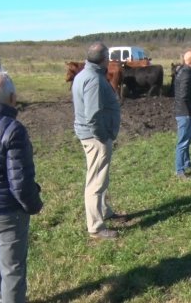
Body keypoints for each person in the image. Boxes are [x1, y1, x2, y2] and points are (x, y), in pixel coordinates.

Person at [0, 72, 43, 303]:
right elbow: (20, 182)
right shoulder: (13, 130)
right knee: (12, 268)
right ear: (11, 98)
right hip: (6, 212)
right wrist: (34, 204)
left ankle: (0, 299)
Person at [72, 42, 124, 240]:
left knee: (101, 176)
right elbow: (92, 115)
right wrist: (103, 137)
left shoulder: (83, 75)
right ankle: (96, 227)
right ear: (104, 59)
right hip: (95, 137)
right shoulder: (93, 79)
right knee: (96, 181)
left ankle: (104, 210)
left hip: (91, 135)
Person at [174, 50, 191, 179]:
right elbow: (183, 96)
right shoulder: (186, 74)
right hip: (185, 114)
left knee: (187, 141)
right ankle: (179, 170)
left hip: (184, 112)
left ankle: (187, 163)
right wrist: (190, 113)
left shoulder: (183, 71)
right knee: (183, 142)